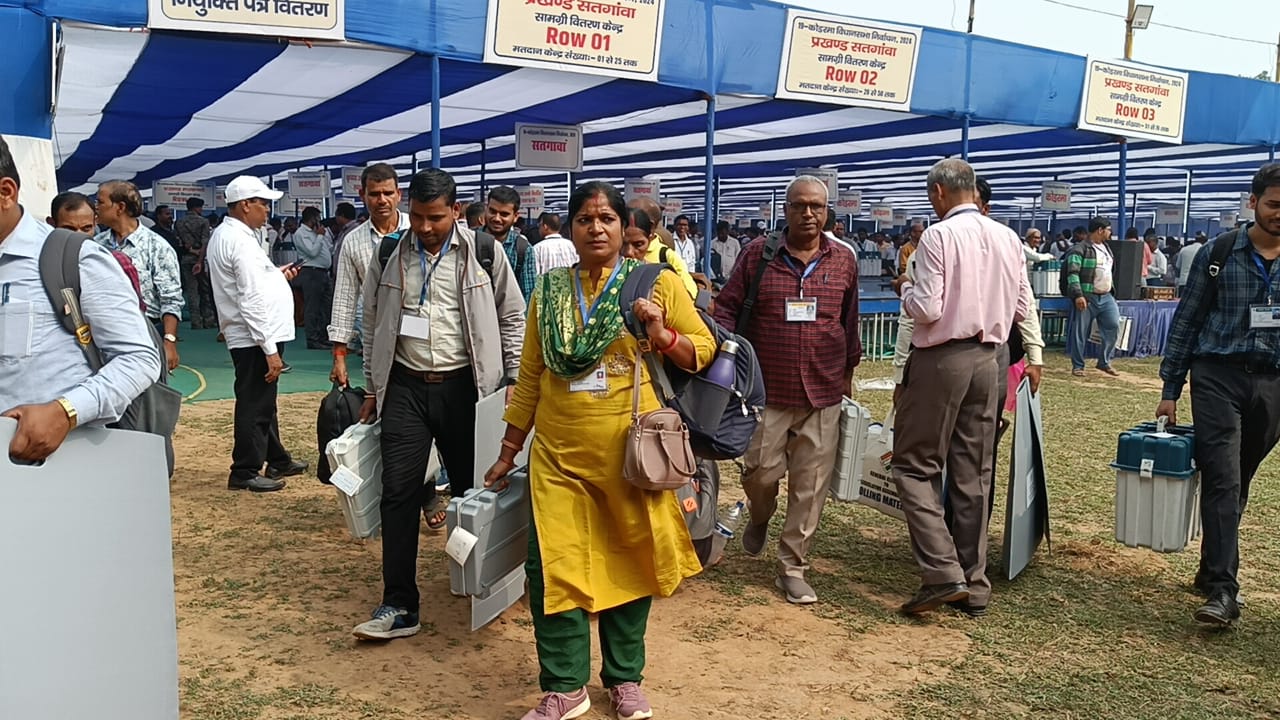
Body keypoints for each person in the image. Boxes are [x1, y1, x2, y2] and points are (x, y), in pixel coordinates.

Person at [482, 180, 713, 720]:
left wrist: (662, 335)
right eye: (585, 219)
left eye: (606, 218)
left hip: (630, 456)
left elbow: (703, 349)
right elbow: (533, 376)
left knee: (631, 561)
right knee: (553, 568)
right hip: (558, 456)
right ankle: (565, 686)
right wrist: (508, 447)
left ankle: (625, 679)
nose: (596, 228)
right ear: (571, 229)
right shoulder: (550, 290)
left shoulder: (654, 284)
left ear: (623, 226)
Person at [352, 169, 525, 641]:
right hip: (405, 387)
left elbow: (513, 315)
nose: (425, 228)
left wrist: (510, 378)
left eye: (436, 218)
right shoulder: (389, 255)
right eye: (419, 217)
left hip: (466, 389)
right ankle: (399, 604)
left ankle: (486, 581)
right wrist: (373, 387)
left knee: (480, 490)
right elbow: (371, 322)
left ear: (454, 210)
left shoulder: (484, 252)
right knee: (399, 494)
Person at [713, 175, 861, 605]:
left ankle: (792, 566)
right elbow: (726, 309)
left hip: (823, 388)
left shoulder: (844, 260)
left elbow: (849, 323)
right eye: (800, 206)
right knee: (760, 472)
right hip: (766, 389)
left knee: (810, 484)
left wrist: (849, 369)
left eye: (817, 206)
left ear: (828, 211)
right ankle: (761, 514)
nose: (809, 214)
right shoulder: (758, 255)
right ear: (786, 209)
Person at [891, 159, 1029, 617]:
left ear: (937, 193)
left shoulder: (938, 236)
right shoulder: (1008, 237)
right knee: (974, 471)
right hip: (993, 357)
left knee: (914, 466)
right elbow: (1023, 305)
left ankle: (942, 573)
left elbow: (927, 308)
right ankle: (975, 581)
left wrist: (905, 289)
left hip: (944, 358)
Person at [1158, 164, 1280, 627]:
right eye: (1273, 204)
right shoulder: (1220, 252)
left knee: (1239, 480)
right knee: (1223, 479)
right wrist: (1171, 389)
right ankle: (1225, 591)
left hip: (1273, 384)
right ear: (1253, 202)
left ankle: (1212, 567)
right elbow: (1186, 322)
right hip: (1217, 378)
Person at [0, 137, 161, 464]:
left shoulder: (74, 258)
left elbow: (139, 358)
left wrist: (65, 412)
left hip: (51, 466)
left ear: (6, 192)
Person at [207, 176, 306, 493]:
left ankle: (275, 457)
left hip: (255, 333)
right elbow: (248, 298)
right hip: (254, 336)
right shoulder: (237, 240)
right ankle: (245, 469)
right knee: (255, 402)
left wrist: (277, 277)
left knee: (264, 401)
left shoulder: (238, 236)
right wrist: (270, 349)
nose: (267, 210)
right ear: (245, 204)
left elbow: (251, 285)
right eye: (263, 203)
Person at [329, 164, 410, 384]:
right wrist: (339, 356)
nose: (382, 200)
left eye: (388, 193)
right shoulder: (353, 241)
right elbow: (344, 298)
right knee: (378, 396)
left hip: (420, 333)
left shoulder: (417, 230)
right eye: (374, 194)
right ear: (362, 195)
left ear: (399, 194)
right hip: (376, 334)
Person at [94, 181, 184, 372]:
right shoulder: (96, 246)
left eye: (100, 202)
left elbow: (171, 298)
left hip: (145, 332)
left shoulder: (157, 247)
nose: (96, 208)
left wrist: (169, 341)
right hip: (104, 333)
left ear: (120, 207)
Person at [49, 192, 144, 308]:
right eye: (69, 229)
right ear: (51, 224)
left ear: (95, 222)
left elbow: (136, 310)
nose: (78, 236)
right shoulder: (40, 262)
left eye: (86, 229)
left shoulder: (117, 261)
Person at [1064, 217, 1120, 377]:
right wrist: (1078, 295)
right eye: (1109, 230)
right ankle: (1078, 365)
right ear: (1100, 230)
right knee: (1080, 331)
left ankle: (1104, 361)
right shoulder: (1080, 249)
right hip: (1087, 295)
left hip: (1106, 295)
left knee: (1113, 325)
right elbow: (1072, 273)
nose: (1111, 233)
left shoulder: (1107, 248)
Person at [485, 186, 537, 300]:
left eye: (504, 214)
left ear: (515, 217)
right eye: (492, 211)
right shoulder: (469, 241)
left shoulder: (523, 249)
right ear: (486, 208)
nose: (497, 218)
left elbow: (529, 295)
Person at [293, 205, 334, 349]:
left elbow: (328, 247)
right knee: (313, 307)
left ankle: (323, 336)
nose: (319, 220)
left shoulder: (317, 232)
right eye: (317, 217)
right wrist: (320, 236)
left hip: (323, 272)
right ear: (311, 218)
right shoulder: (300, 233)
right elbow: (312, 252)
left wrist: (321, 235)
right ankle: (312, 339)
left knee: (325, 307)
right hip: (311, 272)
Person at [175, 197, 218, 330]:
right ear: (196, 207)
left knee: (192, 291)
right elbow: (205, 242)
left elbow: (179, 241)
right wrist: (200, 258)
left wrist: (191, 250)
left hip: (186, 259)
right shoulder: (203, 221)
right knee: (205, 290)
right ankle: (208, 319)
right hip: (201, 259)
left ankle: (195, 321)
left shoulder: (179, 222)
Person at [709, 220, 740, 287]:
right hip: (717, 279)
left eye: (723, 233)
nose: (720, 235)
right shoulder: (712, 243)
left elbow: (738, 260)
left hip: (732, 278)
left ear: (727, 231)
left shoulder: (735, 243)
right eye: (719, 233)